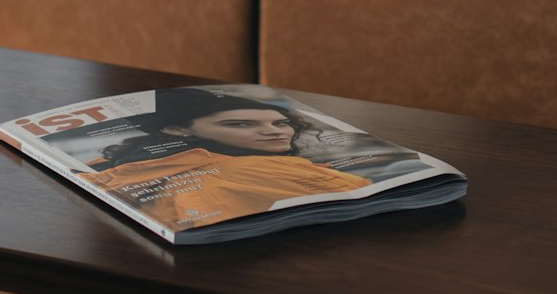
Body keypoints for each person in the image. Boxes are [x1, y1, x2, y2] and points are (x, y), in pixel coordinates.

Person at [85, 88, 368, 231]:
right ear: (177, 130)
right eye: (240, 125)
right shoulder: (246, 170)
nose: (274, 132)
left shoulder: (121, 166)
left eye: (281, 123)